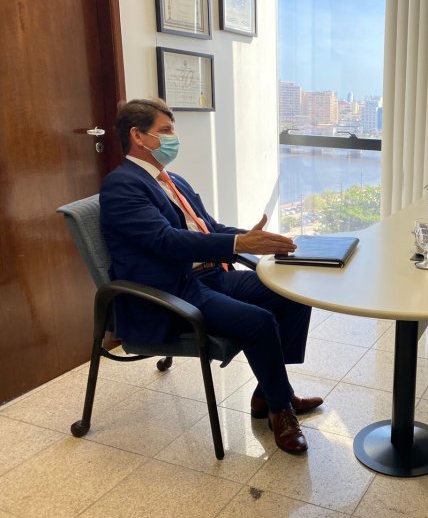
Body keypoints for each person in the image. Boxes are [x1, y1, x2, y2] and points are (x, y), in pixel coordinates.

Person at [100, 98, 322, 455]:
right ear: (137, 136)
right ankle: (281, 409)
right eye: (165, 131)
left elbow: (209, 228)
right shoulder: (122, 186)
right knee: (259, 321)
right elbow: (165, 241)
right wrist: (238, 244)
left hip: (208, 276)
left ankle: (268, 394)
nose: (173, 138)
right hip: (172, 290)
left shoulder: (173, 181)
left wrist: (257, 241)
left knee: (293, 292)